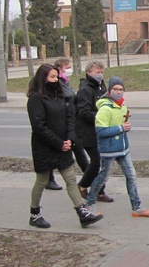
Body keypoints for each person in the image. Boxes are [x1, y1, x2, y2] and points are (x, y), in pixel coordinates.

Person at [26, 64, 103, 229]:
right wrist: (58, 143)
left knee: (70, 179)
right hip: (45, 146)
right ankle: (34, 213)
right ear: (43, 79)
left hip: (64, 145)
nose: (55, 81)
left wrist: (70, 139)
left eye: (56, 77)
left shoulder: (59, 96)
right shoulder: (35, 99)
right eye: (52, 77)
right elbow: (39, 127)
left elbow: (70, 118)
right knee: (42, 180)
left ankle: (82, 212)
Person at [85, 77, 149, 218]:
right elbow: (101, 131)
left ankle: (137, 207)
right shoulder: (104, 109)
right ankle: (89, 204)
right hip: (109, 149)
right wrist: (121, 128)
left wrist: (125, 127)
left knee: (131, 176)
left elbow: (123, 124)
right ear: (109, 91)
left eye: (121, 89)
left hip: (123, 148)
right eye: (115, 89)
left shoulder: (123, 105)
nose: (118, 92)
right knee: (103, 177)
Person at [45, 58, 89, 191]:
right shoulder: (57, 83)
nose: (69, 69)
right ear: (59, 69)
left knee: (78, 149)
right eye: (67, 67)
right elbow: (64, 99)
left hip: (71, 120)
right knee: (59, 151)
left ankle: (89, 176)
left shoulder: (65, 81)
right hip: (62, 122)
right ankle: (49, 179)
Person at [75, 61, 113, 203]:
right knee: (97, 161)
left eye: (102, 72)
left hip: (99, 130)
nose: (100, 75)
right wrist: (100, 117)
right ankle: (83, 185)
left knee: (101, 162)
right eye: (97, 72)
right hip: (87, 132)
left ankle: (99, 191)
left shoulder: (100, 85)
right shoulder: (85, 89)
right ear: (89, 72)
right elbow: (84, 112)